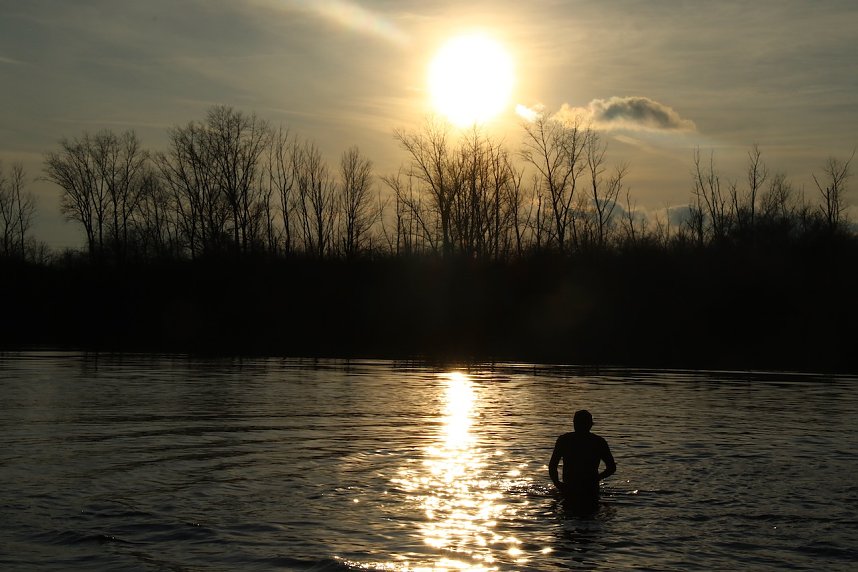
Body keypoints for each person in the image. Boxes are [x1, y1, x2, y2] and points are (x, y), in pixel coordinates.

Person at [549, 409, 616, 513]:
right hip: (589, 488)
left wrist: (558, 484)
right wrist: (596, 479)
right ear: (591, 425)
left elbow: (553, 466)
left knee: (569, 514)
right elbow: (611, 468)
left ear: (574, 424)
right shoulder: (598, 442)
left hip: (570, 487)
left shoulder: (564, 440)